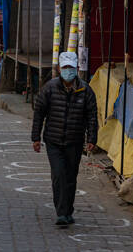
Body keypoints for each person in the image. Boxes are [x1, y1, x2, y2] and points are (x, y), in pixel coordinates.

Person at [31, 51, 98, 226]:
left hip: (74, 141)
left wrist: (92, 138)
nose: (68, 71)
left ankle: (68, 211)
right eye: (65, 67)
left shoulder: (85, 90)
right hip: (53, 141)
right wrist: (35, 137)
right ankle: (61, 212)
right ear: (60, 69)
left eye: (71, 67)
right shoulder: (50, 88)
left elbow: (92, 116)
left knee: (70, 177)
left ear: (76, 68)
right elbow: (39, 113)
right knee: (59, 175)